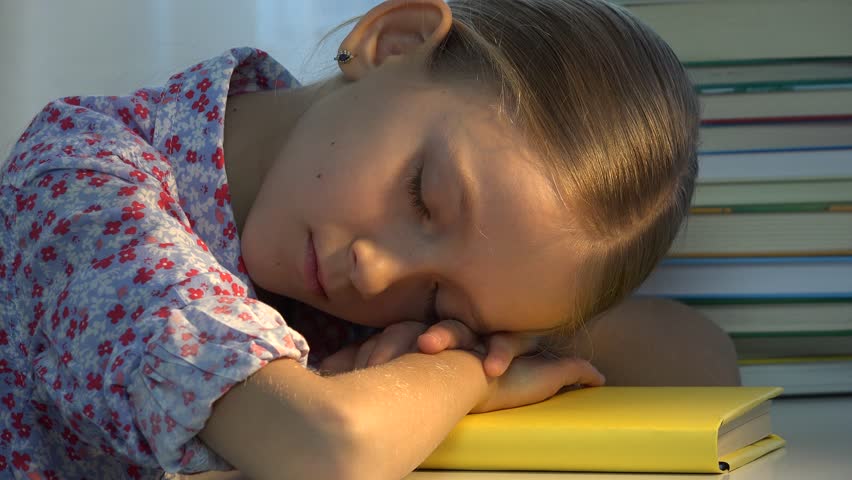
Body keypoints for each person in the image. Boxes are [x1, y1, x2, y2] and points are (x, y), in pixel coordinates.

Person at [0, 0, 740, 479]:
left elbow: (705, 359)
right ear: (394, 41)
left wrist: (492, 338)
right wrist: (466, 377)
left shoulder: (343, 254)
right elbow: (327, 448)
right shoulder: (86, 184)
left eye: (444, 296)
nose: (380, 274)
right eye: (423, 195)